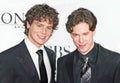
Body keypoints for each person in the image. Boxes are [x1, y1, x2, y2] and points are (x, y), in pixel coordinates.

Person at [57, 7, 120, 83]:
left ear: (93, 32)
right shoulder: (63, 63)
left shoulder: (115, 61)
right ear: (71, 35)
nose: (81, 40)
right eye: (76, 35)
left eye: (85, 34)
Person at [0, 4, 59, 83]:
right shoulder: (7, 58)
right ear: (28, 24)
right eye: (39, 25)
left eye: (48, 27)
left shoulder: (51, 54)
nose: (44, 32)